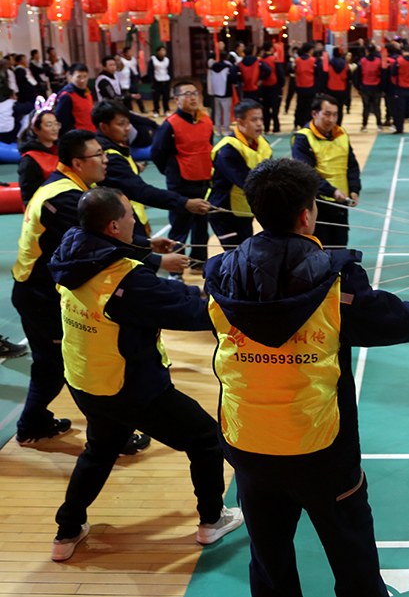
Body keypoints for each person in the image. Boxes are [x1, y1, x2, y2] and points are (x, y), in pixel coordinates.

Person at [205, 158, 409, 597]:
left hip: (247, 443)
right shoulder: (332, 277)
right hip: (320, 448)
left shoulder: (221, 273)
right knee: (352, 553)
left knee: (268, 558)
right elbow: (381, 316)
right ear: (306, 214)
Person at [47, 188, 243, 562]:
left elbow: (110, 251)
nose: (136, 221)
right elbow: (194, 312)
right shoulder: (126, 282)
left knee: (100, 449)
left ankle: (67, 530)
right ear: (114, 224)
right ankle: (212, 519)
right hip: (131, 386)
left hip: (86, 379)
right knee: (205, 439)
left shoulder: (71, 251)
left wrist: (149, 251)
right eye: (130, 217)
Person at [12, 130, 177, 444]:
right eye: (98, 155)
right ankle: (107, 436)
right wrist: (155, 259)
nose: (105, 160)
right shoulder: (65, 197)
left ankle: (33, 422)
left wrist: (147, 244)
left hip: (41, 291)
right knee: (78, 366)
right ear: (77, 162)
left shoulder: (72, 188)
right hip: (39, 295)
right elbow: (95, 243)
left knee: (51, 365)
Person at [93, 100, 210, 244]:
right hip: (120, 222)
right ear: (104, 127)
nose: (127, 128)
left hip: (131, 216)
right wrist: (184, 202)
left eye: (127, 123)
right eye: (121, 124)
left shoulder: (116, 147)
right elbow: (139, 190)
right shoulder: (109, 156)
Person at [151, 79, 216, 272]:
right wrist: (172, 171)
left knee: (201, 226)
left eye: (195, 93)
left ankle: (198, 262)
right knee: (180, 228)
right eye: (186, 94)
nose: (192, 97)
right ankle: (175, 268)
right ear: (176, 100)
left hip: (204, 180)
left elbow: (208, 147)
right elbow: (157, 153)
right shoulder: (170, 125)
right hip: (181, 183)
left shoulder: (206, 120)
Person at [291, 94, 361, 249]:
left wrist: (354, 188)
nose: (331, 119)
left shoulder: (340, 133)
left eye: (335, 115)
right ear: (315, 114)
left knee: (340, 248)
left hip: (341, 204)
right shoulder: (302, 139)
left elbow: (352, 164)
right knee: (320, 250)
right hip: (318, 206)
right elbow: (307, 174)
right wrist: (332, 191)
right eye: (327, 114)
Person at [208, 100, 272, 250]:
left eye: (261, 119)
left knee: (246, 253)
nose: (259, 124)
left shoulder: (262, 143)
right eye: (254, 119)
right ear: (240, 122)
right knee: (235, 256)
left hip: (245, 210)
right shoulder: (227, 149)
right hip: (224, 212)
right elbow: (245, 181)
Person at [18, 108, 60, 205]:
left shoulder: (61, 151)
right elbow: (28, 197)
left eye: (56, 123)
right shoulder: (29, 160)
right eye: (49, 125)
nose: (55, 128)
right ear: (36, 129)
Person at [54, 64, 95, 135]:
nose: (83, 80)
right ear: (70, 77)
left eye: (85, 77)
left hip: (91, 133)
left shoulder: (87, 92)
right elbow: (62, 121)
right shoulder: (66, 96)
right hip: (78, 137)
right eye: (79, 77)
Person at [207, 47, 238, 134]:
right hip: (226, 93)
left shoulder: (213, 67)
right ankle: (226, 129)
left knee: (217, 112)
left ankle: (218, 129)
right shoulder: (229, 67)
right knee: (226, 112)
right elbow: (233, 78)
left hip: (216, 92)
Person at [356, 44, 384, 132]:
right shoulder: (379, 61)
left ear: (367, 51)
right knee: (377, 107)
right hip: (376, 87)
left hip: (365, 88)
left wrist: (358, 87)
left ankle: (364, 125)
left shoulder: (362, 61)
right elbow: (383, 75)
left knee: (366, 108)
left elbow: (357, 75)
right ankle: (379, 125)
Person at [292, 42, 319, 128]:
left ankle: (297, 123)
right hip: (310, 87)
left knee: (299, 106)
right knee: (309, 106)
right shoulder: (313, 60)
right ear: (310, 50)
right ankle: (308, 124)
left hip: (300, 87)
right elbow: (317, 74)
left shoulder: (297, 60)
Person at [259, 41, 283, 133]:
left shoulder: (260, 60)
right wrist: (281, 84)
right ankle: (276, 127)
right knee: (275, 109)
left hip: (264, 87)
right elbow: (279, 72)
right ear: (271, 49)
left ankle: (266, 127)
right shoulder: (274, 59)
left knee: (265, 109)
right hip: (274, 86)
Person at [116, 46, 142, 114]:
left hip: (130, 82)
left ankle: (141, 109)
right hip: (121, 88)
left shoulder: (132, 62)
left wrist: (138, 77)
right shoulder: (116, 70)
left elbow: (137, 68)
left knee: (134, 96)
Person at [149, 46, 172, 116]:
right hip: (157, 81)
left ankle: (166, 110)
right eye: (161, 51)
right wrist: (152, 80)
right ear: (158, 52)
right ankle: (156, 111)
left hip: (165, 80)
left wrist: (170, 79)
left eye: (164, 51)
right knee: (156, 98)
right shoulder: (153, 60)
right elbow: (150, 71)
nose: (163, 52)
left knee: (166, 97)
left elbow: (170, 70)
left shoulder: (167, 59)